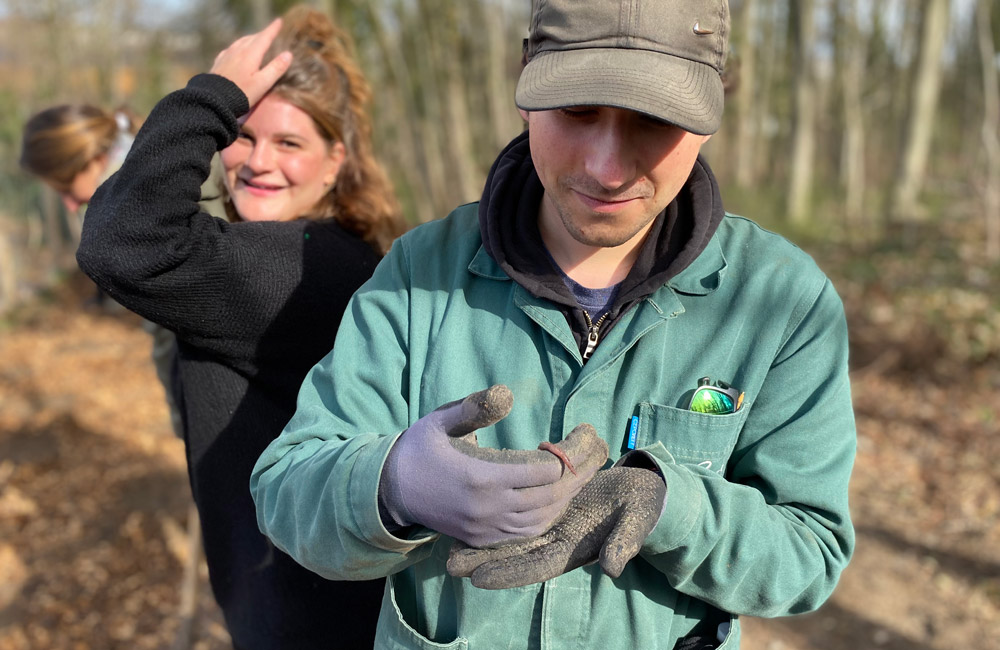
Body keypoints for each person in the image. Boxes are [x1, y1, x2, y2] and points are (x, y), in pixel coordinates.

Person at [252, 0, 856, 648]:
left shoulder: (781, 304)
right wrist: (392, 485)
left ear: (708, 118)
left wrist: (668, 508)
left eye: (653, 121)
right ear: (526, 87)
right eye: (576, 110)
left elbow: (809, 552)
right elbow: (287, 491)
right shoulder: (419, 275)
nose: (605, 167)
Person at [75, 6, 406, 649]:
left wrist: (213, 100)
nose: (257, 162)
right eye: (244, 136)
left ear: (336, 162)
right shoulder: (326, 253)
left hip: (314, 624)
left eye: (289, 143)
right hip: (287, 606)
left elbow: (121, 242)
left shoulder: (298, 265)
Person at [19, 103, 223, 439]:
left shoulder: (148, 198)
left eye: (66, 188)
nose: (70, 204)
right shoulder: (150, 170)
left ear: (92, 159)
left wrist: (183, 418)